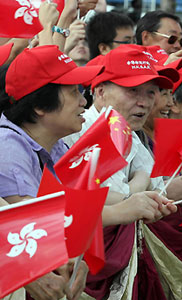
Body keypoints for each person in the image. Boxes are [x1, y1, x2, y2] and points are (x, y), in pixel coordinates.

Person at [64, 44, 178, 299]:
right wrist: (134, 192)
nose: (144, 101)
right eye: (132, 90)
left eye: (151, 92)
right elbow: (113, 196)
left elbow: (154, 182)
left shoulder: (127, 131)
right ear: (101, 92)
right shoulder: (82, 131)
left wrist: (135, 190)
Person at [0, 45, 103, 300]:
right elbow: (28, 225)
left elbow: (68, 213)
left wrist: (75, 261)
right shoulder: (8, 148)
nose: (83, 101)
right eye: (73, 92)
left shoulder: (56, 145)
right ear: (39, 106)